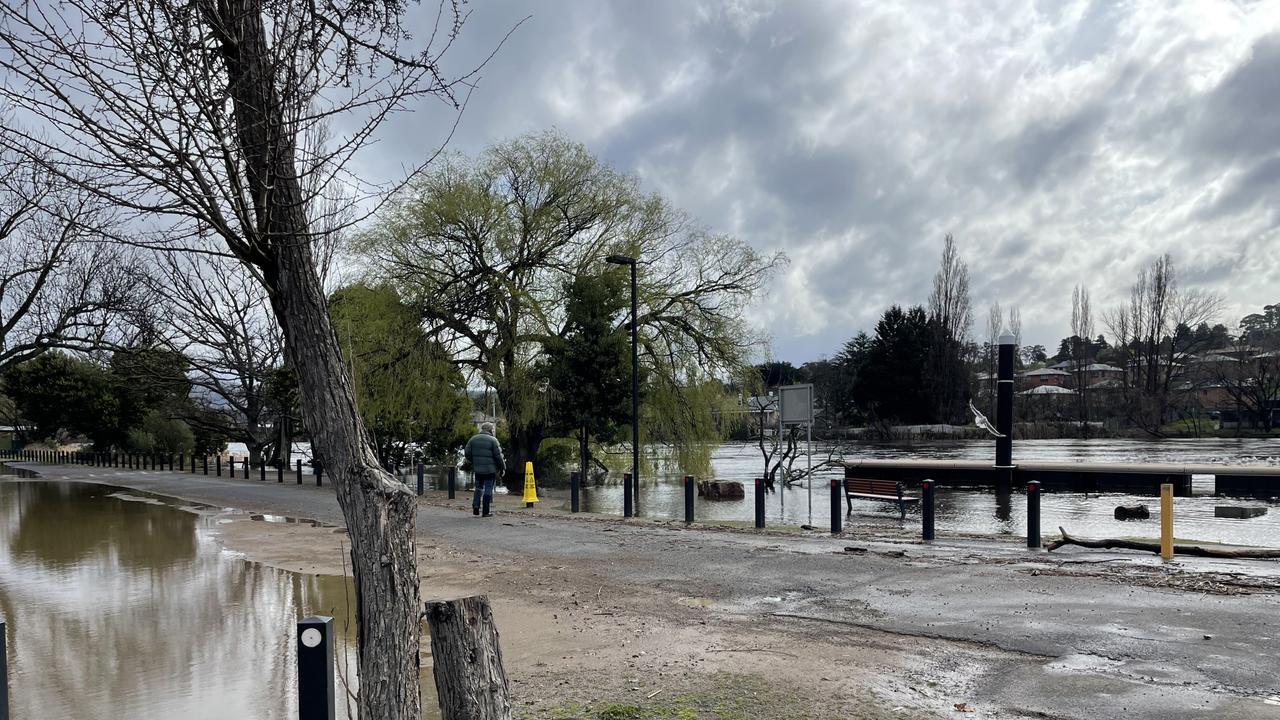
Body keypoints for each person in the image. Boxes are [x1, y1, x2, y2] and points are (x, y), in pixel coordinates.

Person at [464, 422, 505, 517]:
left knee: (478, 487)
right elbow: (498, 456)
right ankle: (486, 511)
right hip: (490, 470)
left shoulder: (473, 439)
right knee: (488, 488)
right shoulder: (493, 440)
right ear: (490, 430)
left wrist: (474, 461)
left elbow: (467, 453)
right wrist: (502, 467)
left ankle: (475, 506)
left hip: (478, 469)